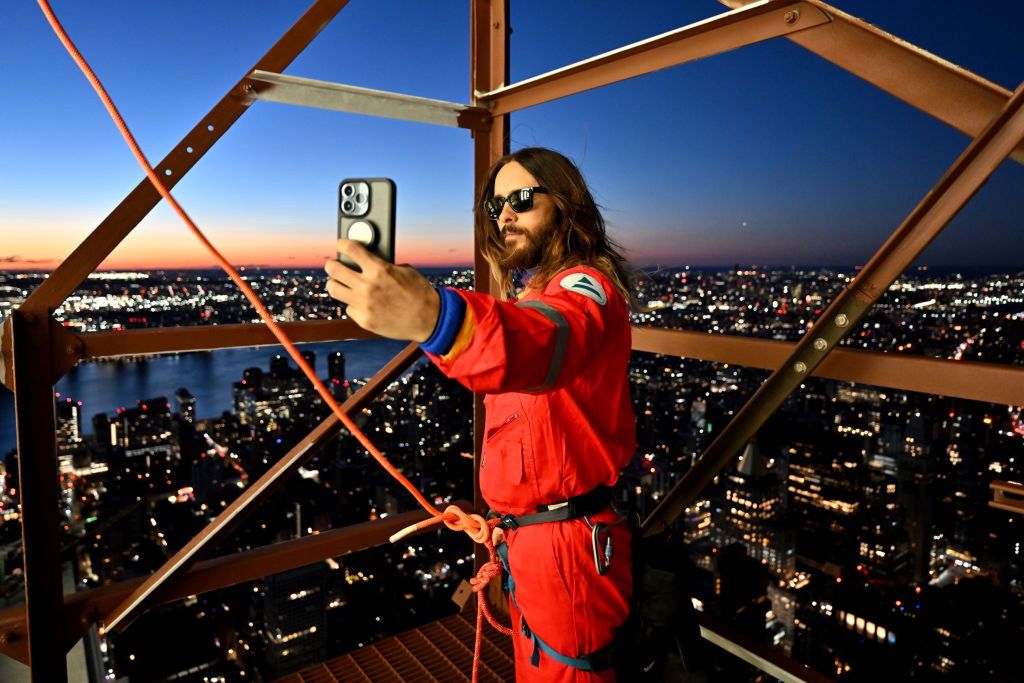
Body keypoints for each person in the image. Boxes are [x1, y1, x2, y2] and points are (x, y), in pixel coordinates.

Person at [324, 147, 636, 682]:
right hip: (536, 542)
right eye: (495, 207)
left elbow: (546, 341)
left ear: (566, 205)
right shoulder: (535, 296)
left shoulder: (587, 288)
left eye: (521, 199)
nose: (505, 216)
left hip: (568, 552)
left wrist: (437, 318)